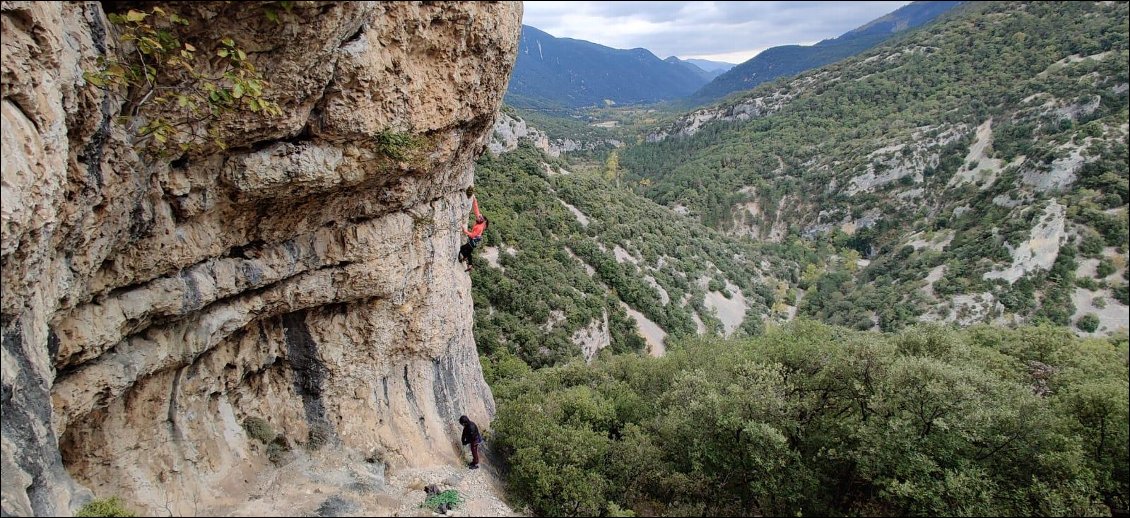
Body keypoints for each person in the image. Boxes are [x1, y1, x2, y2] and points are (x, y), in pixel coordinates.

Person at [458, 195, 488, 272]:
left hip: (473, 241)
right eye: (478, 217)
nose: (478, 218)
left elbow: (472, 235)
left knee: (462, 248)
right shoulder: (480, 220)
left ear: (482, 221)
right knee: (469, 252)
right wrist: (474, 200)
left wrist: (465, 230)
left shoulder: (479, 227)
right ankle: (469, 264)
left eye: (479, 218)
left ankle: (464, 258)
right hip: (474, 240)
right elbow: (476, 209)